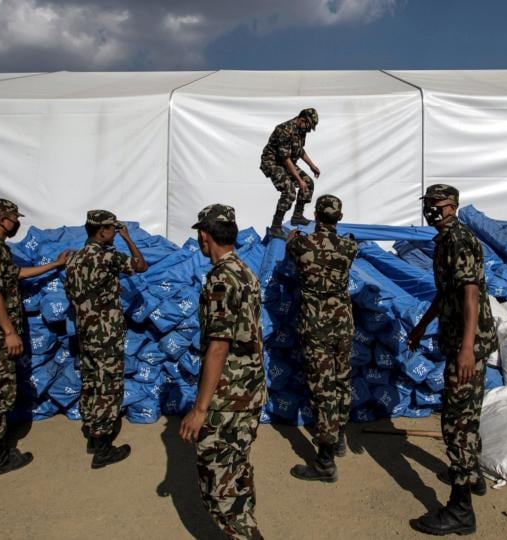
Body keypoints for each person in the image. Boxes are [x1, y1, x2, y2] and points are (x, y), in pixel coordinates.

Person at [405, 184, 497, 535]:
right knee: (467, 412)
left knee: (457, 422)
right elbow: (446, 294)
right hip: (460, 339)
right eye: (427, 204)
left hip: (467, 344)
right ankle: (471, 477)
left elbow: (471, 295)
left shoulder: (459, 239)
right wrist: (421, 328)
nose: (429, 210)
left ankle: (460, 511)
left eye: (434, 205)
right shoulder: (444, 241)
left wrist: (467, 349)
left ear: (450, 206)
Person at [0, 198, 72, 479]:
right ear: (2, 219)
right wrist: (9, 332)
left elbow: (15, 275)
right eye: (15, 218)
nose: (17, 223)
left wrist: (54, 265)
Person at [179, 204, 267, 539]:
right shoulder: (246, 271)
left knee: (219, 484)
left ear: (204, 236)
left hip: (228, 399)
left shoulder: (220, 279)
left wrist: (200, 410)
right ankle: (246, 525)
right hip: (251, 391)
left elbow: (219, 345)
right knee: (238, 469)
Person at [64, 210, 148, 469]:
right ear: (102, 231)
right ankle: (103, 449)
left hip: (85, 332)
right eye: (112, 229)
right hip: (105, 334)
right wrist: (128, 238)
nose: (114, 232)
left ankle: (92, 434)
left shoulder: (75, 259)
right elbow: (140, 265)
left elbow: (77, 292)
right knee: (107, 386)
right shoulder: (106, 255)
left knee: (90, 381)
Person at [285, 195, 357, 483]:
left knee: (322, 388)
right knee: (342, 380)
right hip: (342, 323)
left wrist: (293, 235)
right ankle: (338, 437)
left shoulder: (301, 244)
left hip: (316, 325)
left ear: (315, 214)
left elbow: (290, 247)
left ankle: (325, 461)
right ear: (339, 217)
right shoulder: (349, 246)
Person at [260, 108, 321, 238]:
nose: (309, 130)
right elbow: (285, 158)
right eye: (309, 126)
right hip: (273, 162)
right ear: (302, 119)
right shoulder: (284, 130)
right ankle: (275, 226)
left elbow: (300, 151)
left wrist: (312, 165)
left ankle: (297, 216)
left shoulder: (301, 129)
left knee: (308, 183)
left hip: (286, 162)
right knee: (289, 190)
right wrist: (299, 180)